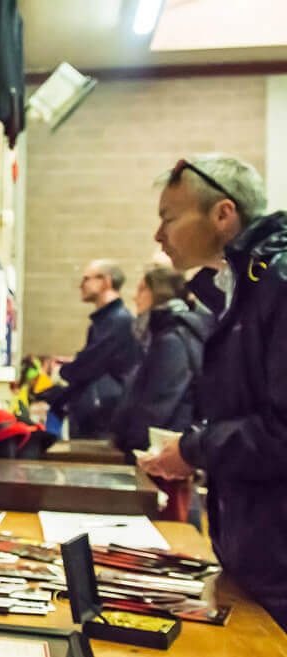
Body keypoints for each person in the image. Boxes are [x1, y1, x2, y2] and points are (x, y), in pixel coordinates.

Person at [138, 154, 287, 632]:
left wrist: (195, 448)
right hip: (258, 555)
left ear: (223, 214)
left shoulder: (277, 283)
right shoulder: (237, 289)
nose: (159, 236)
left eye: (168, 218)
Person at [110, 267, 209, 522]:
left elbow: (158, 403)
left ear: (158, 293)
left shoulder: (173, 337)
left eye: (142, 288)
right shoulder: (165, 333)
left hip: (165, 455)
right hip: (163, 453)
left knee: (177, 526)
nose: (135, 296)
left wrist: (131, 445)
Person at [45, 260, 141, 438]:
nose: (80, 285)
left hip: (102, 414)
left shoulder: (118, 320)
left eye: (86, 279)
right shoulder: (106, 321)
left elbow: (90, 364)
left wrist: (62, 371)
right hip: (96, 409)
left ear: (106, 282)